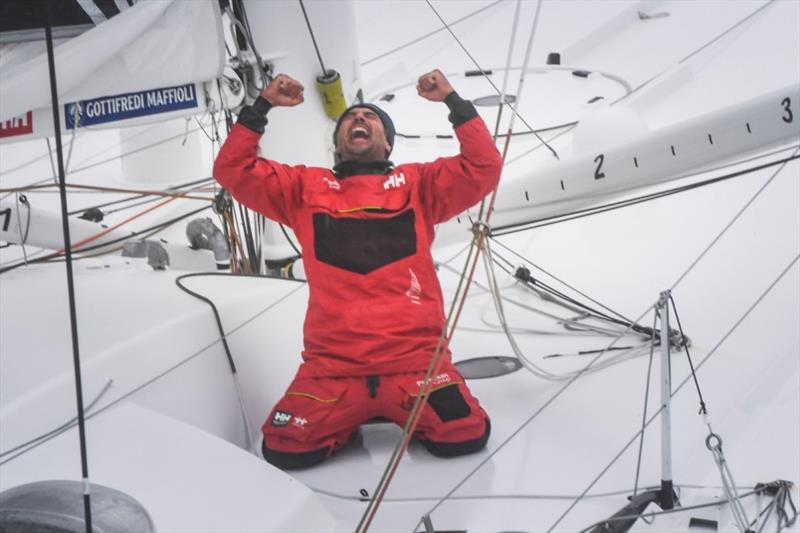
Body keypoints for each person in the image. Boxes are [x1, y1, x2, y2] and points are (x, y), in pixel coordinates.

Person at [213, 69, 502, 469]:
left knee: (463, 435)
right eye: (351, 117)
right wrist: (262, 106)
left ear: (387, 142)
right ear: (338, 146)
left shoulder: (420, 184)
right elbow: (233, 170)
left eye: (371, 118)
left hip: (416, 362)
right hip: (332, 370)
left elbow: (483, 165)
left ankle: (381, 409)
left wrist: (452, 101)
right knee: (285, 447)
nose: (360, 119)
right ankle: (352, 415)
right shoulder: (302, 188)